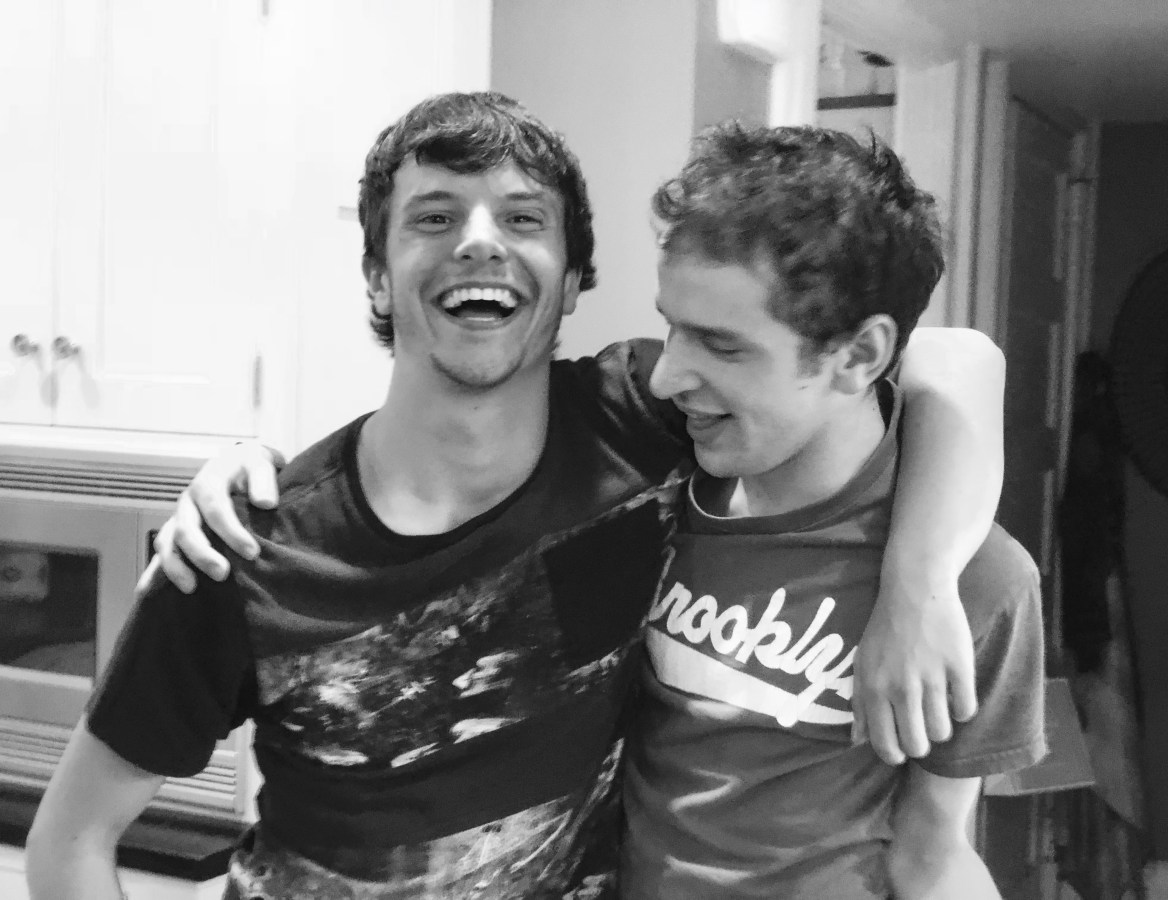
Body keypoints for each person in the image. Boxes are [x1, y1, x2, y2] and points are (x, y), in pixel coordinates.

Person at [27, 92, 1005, 900]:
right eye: (434, 216)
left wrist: (919, 582)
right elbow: (68, 846)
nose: (479, 243)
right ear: (377, 274)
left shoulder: (652, 423)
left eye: (524, 218)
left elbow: (954, 361)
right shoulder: (245, 545)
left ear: (574, 278)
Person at [621, 122, 1044, 899]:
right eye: (671, 327)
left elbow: (931, 852)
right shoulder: (650, 475)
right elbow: (962, 356)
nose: (666, 376)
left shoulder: (982, 584)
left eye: (721, 344)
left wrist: (916, 586)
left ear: (858, 355)